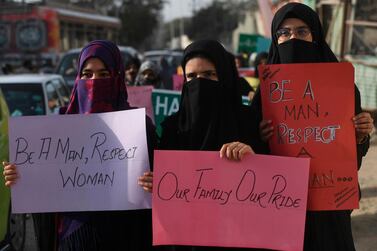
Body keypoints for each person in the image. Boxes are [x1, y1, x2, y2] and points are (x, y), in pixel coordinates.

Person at [3, 40, 157, 251]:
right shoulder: (59, 125)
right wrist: (21, 177)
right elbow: (44, 182)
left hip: (125, 236)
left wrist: (155, 182)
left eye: (104, 74)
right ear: (78, 78)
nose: (94, 81)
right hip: (72, 240)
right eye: (87, 74)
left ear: (118, 77)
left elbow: (161, 186)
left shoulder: (141, 126)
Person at [250, 3, 374, 251]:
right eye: (283, 33)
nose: (292, 37)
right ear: (275, 40)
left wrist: (360, 134)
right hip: (279, 204)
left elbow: (351, 159)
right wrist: (259, 138)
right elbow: (249, 157)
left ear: (315, 36)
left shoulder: (342, 87)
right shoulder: (264, 94)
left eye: (301, 31)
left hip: (330, 206)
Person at [138, 39, 258, 251]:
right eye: (192, 77)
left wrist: (253, 156)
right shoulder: (173, 128)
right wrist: (158, 182)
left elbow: (272, 186)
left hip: (240, 239)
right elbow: (168, 186)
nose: (200, 83)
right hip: (188, 241)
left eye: (210, 75)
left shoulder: (249, 122)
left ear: (225, 76)